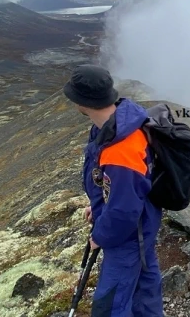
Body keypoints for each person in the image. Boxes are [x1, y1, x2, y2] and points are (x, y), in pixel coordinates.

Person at [63, 64, 163, 317]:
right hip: (143, 227)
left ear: (82, 102)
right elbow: (117, 187)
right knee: (144, 292)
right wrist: (97, 205)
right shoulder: (119, 121)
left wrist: (101, 236)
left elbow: (124, 211)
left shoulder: (121, 148)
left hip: (128, 237)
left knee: (110, 306)